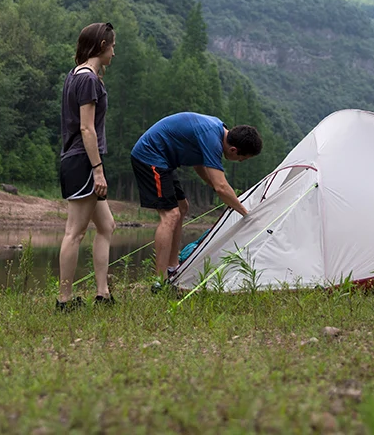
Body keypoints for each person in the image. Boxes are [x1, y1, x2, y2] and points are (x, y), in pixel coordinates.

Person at [130, 112, 262, 288]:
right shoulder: (212, 139)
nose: (239, 162)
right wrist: (246, 213)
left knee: (182, 207)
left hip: (164, 162)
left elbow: (200, 166)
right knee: (170, 215)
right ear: (233, 150)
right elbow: (221, 186)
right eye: (241, 159)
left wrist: (217, 188)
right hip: (149, 156)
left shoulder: (218, 130)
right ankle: (160, 281)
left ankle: (173, 266)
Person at [56, 22, 117, 311]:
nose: (114, 53)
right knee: (75, 232)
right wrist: (98, 169)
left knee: (107, 226)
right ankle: (64, 300)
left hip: (78, 159)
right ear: (102, 45)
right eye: (113, 46)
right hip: (83, 161)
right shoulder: (88, 80)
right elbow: (86, 129)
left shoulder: (75, 75)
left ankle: (103, 293)